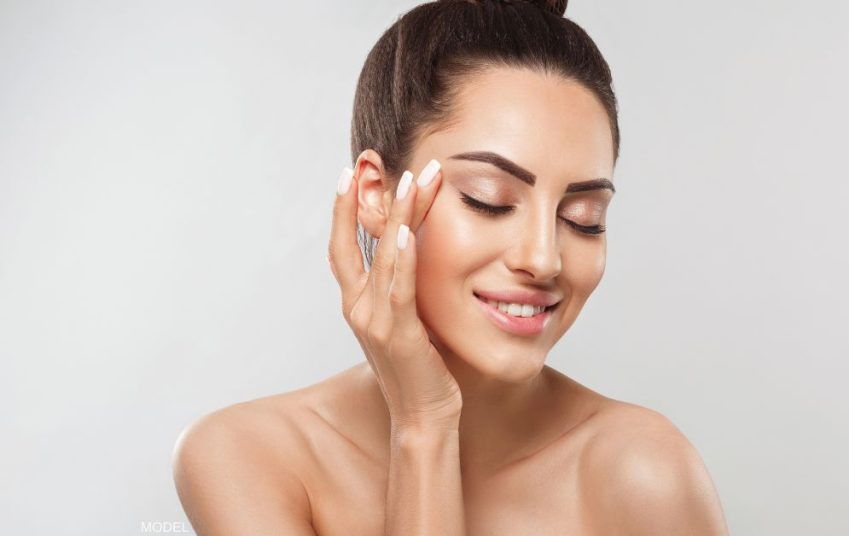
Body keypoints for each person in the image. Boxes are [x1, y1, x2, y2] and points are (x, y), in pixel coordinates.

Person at [172, 0, 729, 533]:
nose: (543, 258)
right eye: (489, 200)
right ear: (375, 195)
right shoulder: (246, 456)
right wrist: (425, 426)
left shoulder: (644, 472)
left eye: (583, 218)